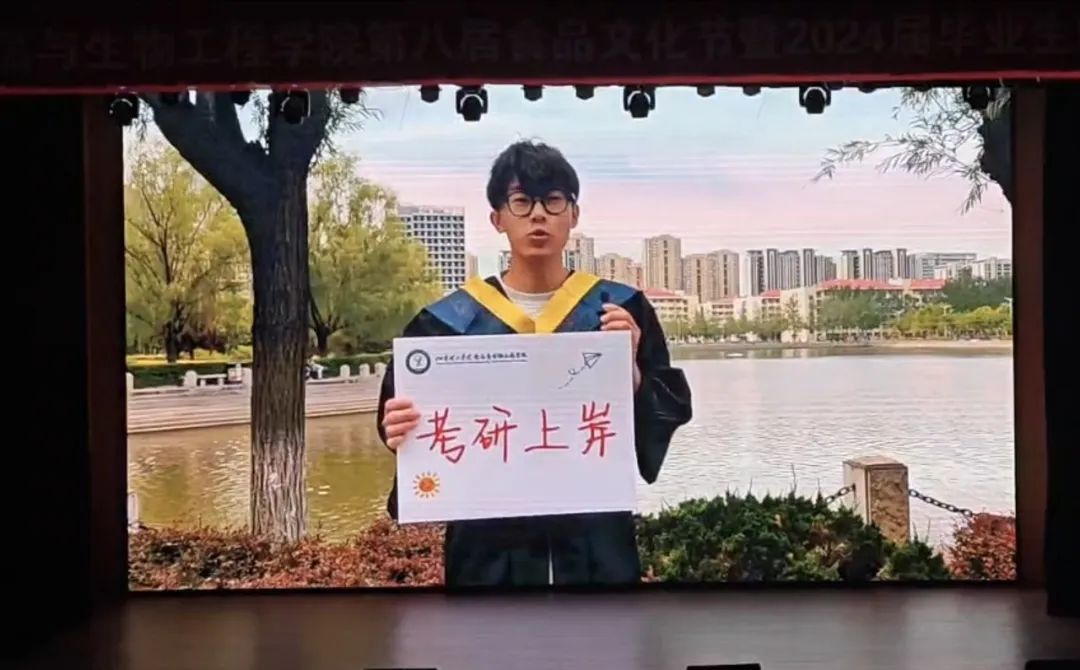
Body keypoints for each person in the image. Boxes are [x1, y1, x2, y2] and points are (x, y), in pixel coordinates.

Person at [377, 140, 692, 588]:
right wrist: (398, 431)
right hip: (487, 549)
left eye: (553, 201)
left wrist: (633, 373)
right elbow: (403, 429)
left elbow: (664, 411)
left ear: (573, 215)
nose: (538, 215)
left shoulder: (620, 310)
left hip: (595, 543)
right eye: (522, 202)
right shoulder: (447, 324)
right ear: (498, 219)